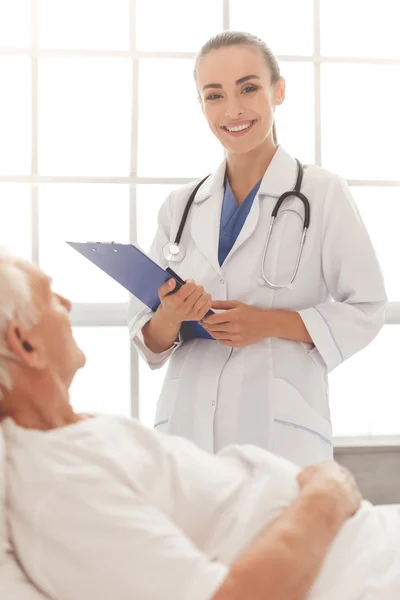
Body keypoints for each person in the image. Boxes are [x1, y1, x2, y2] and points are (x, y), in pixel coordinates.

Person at [1, 251, 399, 600]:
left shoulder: (73, 437)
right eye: (49, 296)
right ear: (26, 345)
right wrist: (326, 498)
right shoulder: (59, 485)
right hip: (361, 571)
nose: (67, 304)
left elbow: (363, 307)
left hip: (362, 545)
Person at [127, 31, 387, 466]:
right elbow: (148, 338)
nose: (232, 110)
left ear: (278, 90)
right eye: (214, 95)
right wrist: (171, 315)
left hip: (278, 433)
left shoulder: (322, 193)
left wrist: (268, 322)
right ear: (201, 104)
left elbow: (367, 307)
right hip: (185, 432)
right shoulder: (180, 206)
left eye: (248, 88)